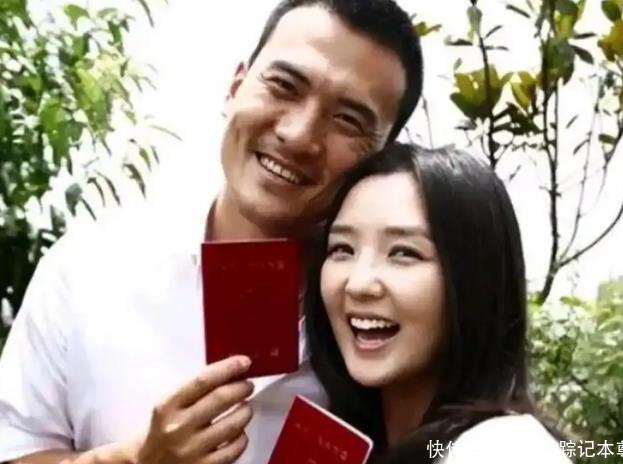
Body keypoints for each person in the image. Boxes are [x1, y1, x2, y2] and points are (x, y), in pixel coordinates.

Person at [0, 1, 423, 463]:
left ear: (383, 156)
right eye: (284, 86)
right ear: (236, 86)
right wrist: (134, 460)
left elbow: (446, 443)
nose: (299, 135)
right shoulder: (88, 267)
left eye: (348, 120)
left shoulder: (397, 323)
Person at [305, 143, 572, 463]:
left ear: (476, 281)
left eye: (404, 252)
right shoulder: (352, 440)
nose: (358, 284)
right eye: (342, 249)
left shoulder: (505, 449)